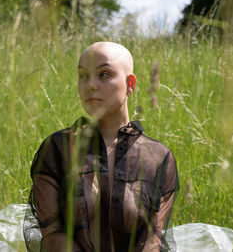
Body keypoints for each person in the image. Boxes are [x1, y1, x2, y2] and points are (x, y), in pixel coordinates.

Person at [24, 42, 179, 252]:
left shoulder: (158, 158)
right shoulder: (57, 149)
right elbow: (53, 234)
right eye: (83, 76)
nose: (90, 85)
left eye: (104, 74)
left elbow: (152, 240)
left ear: (130, 84)